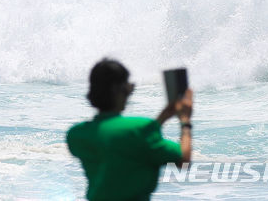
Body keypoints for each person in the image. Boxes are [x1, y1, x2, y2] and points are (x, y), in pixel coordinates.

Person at [67, 58, 193, 201]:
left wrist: (162, 118)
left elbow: (119, 143)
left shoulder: (76, 134)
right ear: (119, 89)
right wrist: (185, 121)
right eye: (129, 85)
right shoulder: (140, 129)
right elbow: (183, 159)